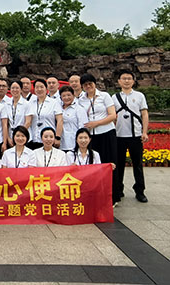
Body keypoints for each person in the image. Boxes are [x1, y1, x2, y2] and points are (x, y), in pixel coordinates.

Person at [78, 73, 119, 206]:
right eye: (85, 84)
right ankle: (96, 195)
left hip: (106, 133)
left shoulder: (104, 96)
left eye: (90, 83)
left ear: (95, 83)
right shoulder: (81, 99)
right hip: (91, 136)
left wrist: (97, 123)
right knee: (94, 165)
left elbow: (112, 115)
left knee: (109, 164)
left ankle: (113, 196)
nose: (88, 86)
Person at [113, 70, 149, 203]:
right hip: (119, 136)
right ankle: (118, 189)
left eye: (129, 78)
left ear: (133, 81)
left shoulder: (139, 96)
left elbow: (144, 114)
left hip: (136, 135)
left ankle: (140, 190)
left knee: (137, 164)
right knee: (119, 165)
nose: (126, 81)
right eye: (124, 78)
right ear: (119, 81)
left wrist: (144, 132)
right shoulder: (114, 97)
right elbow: (112, 116)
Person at [29, 79, 63, 149]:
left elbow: (60, 120)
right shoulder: (31, 103)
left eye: (41, 87)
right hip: (34, 139)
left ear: (46, 88)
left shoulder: (54, 102)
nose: (39, 89)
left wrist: (58, 137)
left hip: (49, 139)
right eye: (37, 87)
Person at [60, 85, 88, 152]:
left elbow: (83, 127)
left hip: (73, 144)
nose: (66, 98)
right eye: (64, 96)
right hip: (60, 144)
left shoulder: (79, 109)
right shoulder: (58, 108)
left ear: (73, 95)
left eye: (69, 95)